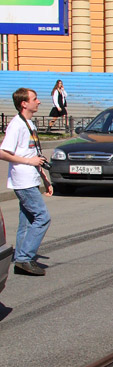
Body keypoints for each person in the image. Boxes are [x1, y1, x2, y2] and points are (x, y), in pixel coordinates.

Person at [0, 87, 53, 275]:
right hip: (22, 180)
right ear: (24, 103)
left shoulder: (30, 124)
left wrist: (44, 178)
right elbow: (3, 152)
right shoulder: (17, 125)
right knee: (42, 217)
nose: (38, 102)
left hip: (30, 178)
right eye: (35, 99)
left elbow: (33, 153)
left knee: (28, 220)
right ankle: (24, 258)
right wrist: (29, 161)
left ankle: (21, 259)